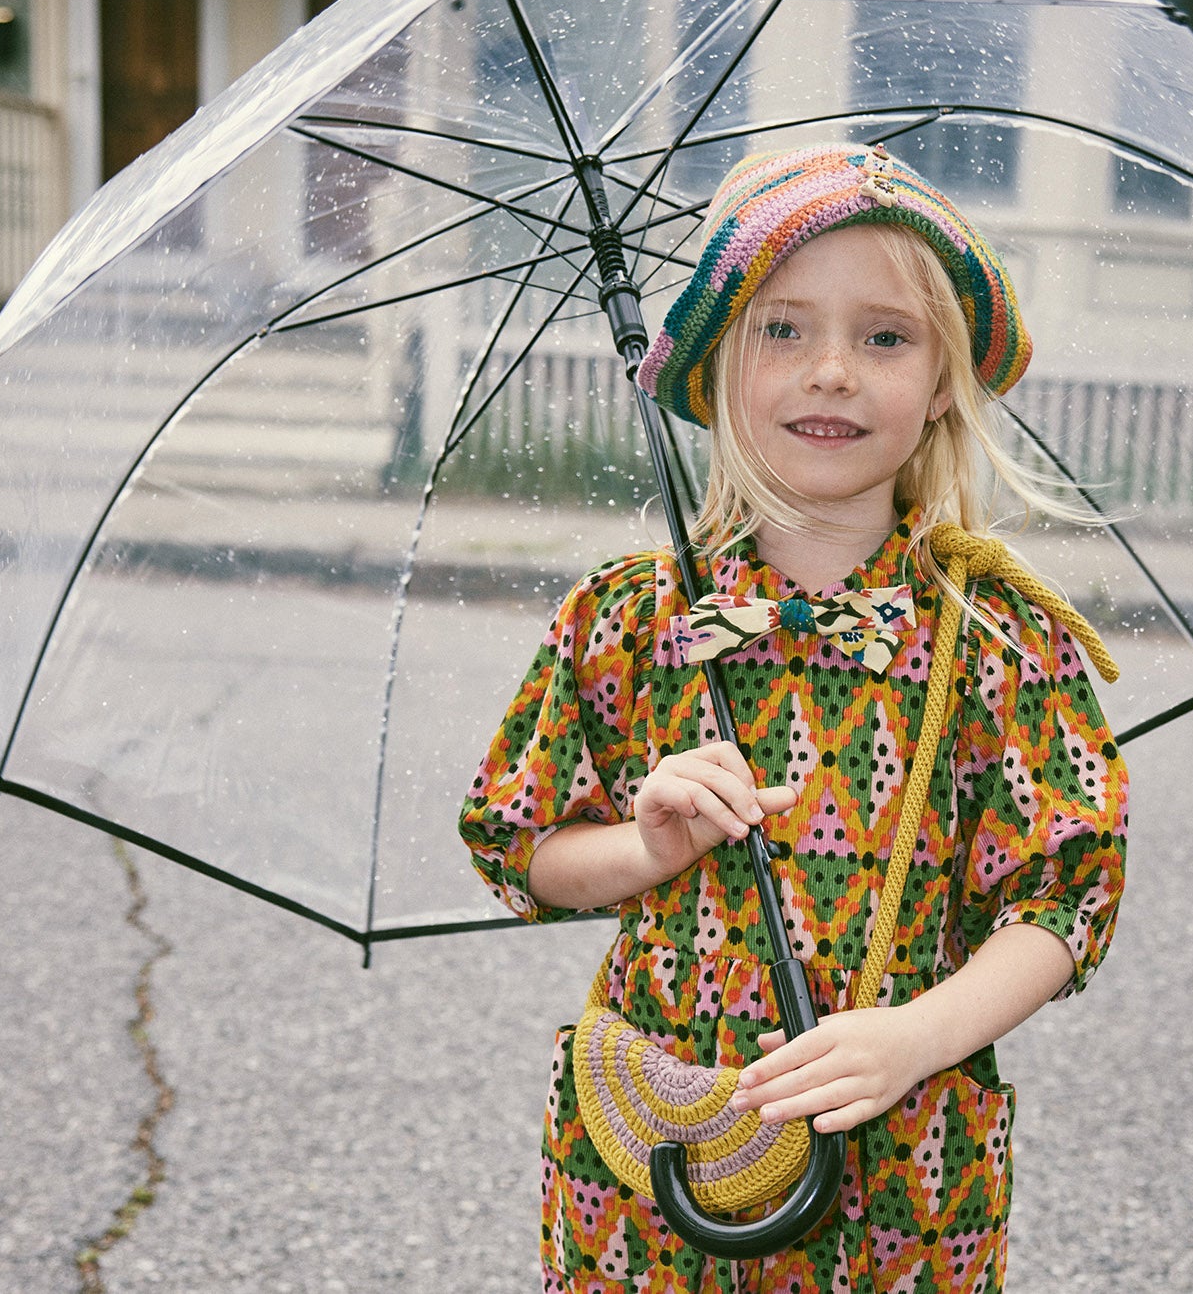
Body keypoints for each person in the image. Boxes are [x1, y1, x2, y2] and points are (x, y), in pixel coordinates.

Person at [460, 142, 1129, 1294]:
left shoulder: (1002, 638)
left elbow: (1063, 901)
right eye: (782, 330)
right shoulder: (625, 620)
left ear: (939, 388)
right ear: (718, 367)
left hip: (907, 1166)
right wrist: (648, 846)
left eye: (884, 336)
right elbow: (525, 849)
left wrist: (914, 1040)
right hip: (652, 1155)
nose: (832, 370)